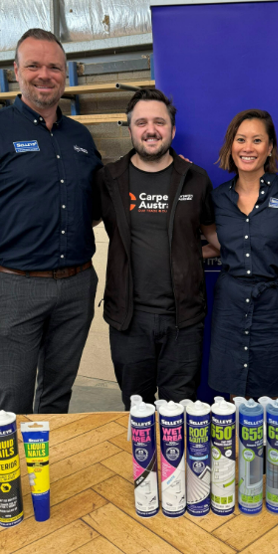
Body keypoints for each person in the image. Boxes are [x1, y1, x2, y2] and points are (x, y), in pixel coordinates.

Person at [0, 28, 102, 414]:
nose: (44, 75)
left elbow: (94, 205)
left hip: (77, 287)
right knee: (13, 397)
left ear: (65, 74)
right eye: (33, 65)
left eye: (54, 67)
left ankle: (49, 470)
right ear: (16, 71)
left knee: (58, 395)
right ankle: (15, 474)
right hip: (15, 289)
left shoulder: (80, 136)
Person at [94, 88, 215, 410]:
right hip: (128, 321)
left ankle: (175, 463)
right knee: (137, 410)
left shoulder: (195, 179)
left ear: (172, 130)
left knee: (182, 410)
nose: (151, 129)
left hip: (184, 322)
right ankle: (143, 464)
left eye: (159, 122)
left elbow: (214, 239)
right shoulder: (108, 180)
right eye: (141, 122)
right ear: (131, 128)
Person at [202, 110, 278, 399]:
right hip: (232, 308)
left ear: (270, 147)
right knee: (236, 396)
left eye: (257, 140)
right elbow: (214, 243)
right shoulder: (217, 198)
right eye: (240, 139)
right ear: (231, 145)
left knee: (276, 398)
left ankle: (273, 446)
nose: (248, 147)